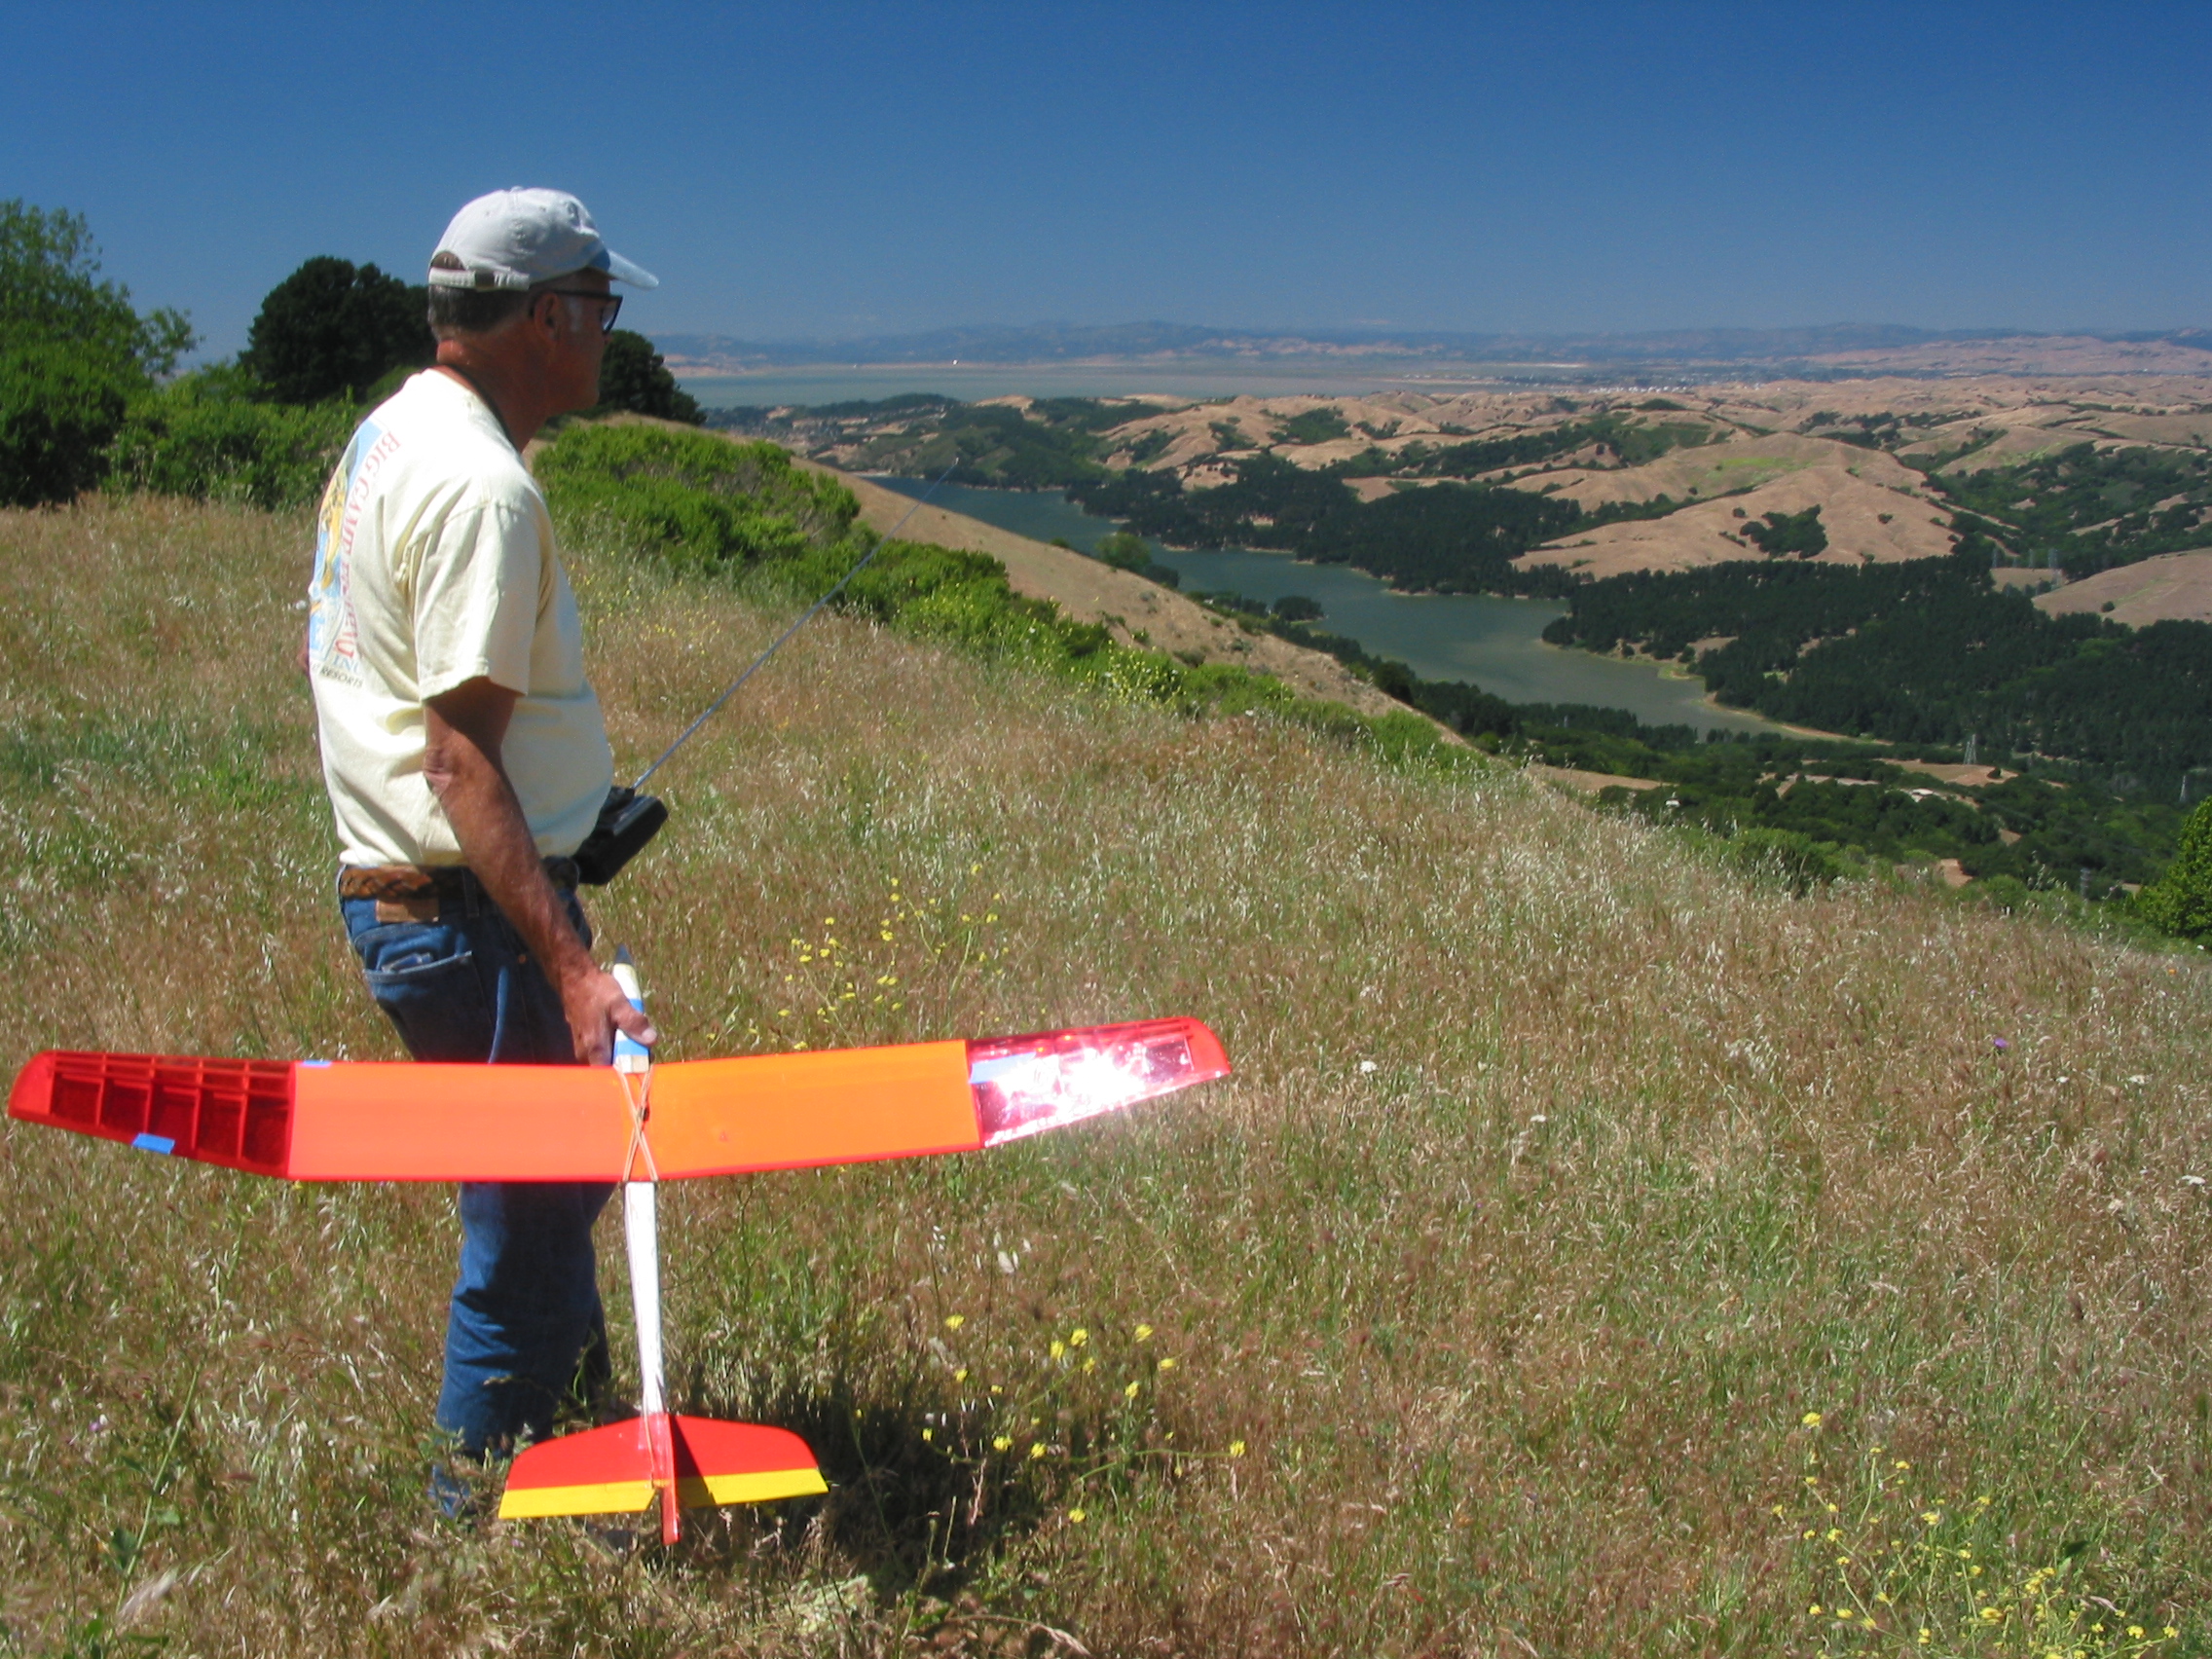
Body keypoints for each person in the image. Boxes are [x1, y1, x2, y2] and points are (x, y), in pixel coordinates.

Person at [304, 188, 660, 1479]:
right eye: (601, 309)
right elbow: (459, 759)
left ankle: (579, 1448)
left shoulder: (389, 439)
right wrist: (570, 965)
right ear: (547, 316)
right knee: (526, 1246)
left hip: (430, 904)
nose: (609, 334)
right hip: (472, 917)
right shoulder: (480, 489)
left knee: (556, 1205)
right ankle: (473, 1534)